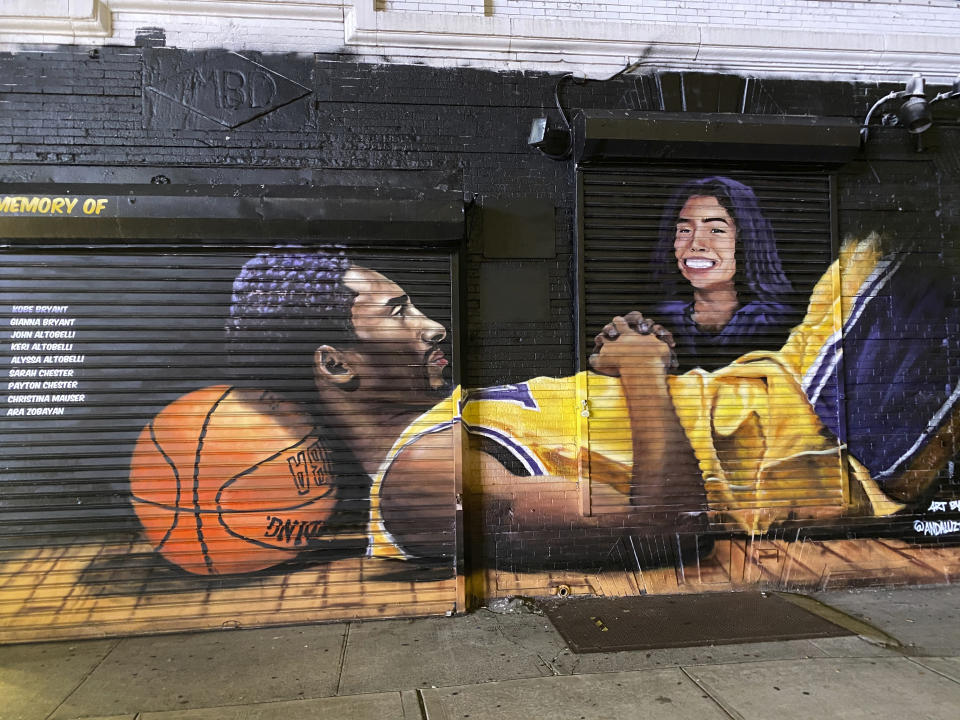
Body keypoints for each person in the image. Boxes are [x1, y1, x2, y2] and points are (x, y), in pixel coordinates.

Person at [226, 248, 707, 567]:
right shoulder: (425, 474)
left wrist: (625, 373)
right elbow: (666, 529)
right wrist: (644, 372)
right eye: (398, 313)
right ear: (335, 366)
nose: (434, 326)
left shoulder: (448, 415)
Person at [648, 176, 803, 372]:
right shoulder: (659, 319)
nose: (695, 244)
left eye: (715, 230)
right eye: (685, 230)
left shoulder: (781, 326)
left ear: (745, 240)